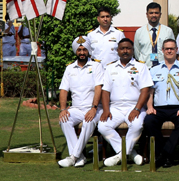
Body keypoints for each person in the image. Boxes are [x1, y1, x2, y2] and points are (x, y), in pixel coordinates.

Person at [98, 37, 153, 166]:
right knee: (102, 126)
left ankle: (120, 155)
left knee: (137, 125)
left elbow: (145, 90)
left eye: (128, 48)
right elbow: (105, 91)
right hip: (115, 107)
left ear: (133, 50)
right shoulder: (110, 68)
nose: (125, 51)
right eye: (122, 48)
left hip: (134, 106)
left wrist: (137, 109)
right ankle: (129, 153)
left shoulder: (141, 66)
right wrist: (106, 110)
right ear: (117, 50)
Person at [143, 39, 179, 168]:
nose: (169, 51)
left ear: (176, 50)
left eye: (172, 48)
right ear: (163, 50)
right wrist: (149, 107)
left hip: (178, 107)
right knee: (149, 121)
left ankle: (164, 154)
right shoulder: (154, 69)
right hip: (159, 108)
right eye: (167, 49)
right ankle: (165, 154)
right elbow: (150, 91)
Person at [58, 36, 103, 167]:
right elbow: (63, 90)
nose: (82, 52)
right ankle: (80, 157)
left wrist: (94, 108)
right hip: (76, 108)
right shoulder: (69, 68)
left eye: (84, 50)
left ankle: (73, 157)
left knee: (88, 121)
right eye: (79, 50)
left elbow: (98, 88)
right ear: (75, 51)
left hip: (94, 108)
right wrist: (63, 109)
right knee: (64, 119)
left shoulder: (96, 66)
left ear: (88, 51)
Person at [134, 2, 175, 68]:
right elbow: (137, 52)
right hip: (145, 68)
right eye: (151, 13)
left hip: (163, 67)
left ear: (160, 14)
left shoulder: (168, 31)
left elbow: (172, 50)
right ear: (147, 14)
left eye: (156, 13)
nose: (154, 15)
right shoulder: (139, 32)